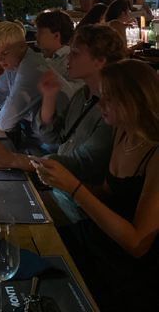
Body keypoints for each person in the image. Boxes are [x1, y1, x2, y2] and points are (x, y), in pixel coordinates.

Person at [36, 59, 159, 311]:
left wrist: (74, 188)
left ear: (135, 100)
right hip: (96, 240)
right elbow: (106, 194)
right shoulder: (122, 132)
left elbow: (137, 244)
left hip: (127, 273)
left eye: (108, 99)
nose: (100, 104)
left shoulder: (155, 154)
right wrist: (59, 182)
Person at [0, 24, 125, 222]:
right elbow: (55, 138)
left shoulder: (113, 112)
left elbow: (77, 166)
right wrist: (49, 98)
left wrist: (13, 159)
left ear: (99, 61)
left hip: (76, 211)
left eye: (75, 54)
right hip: (56, 189)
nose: (67, 59)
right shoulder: (83, 95)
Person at [0, 21, 49, 135]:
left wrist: (4, 107)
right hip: (31, 132)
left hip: (48, 143)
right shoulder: (13, 65)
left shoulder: (30, 70)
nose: (0, 60)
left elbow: (4, 123)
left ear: (22, 46)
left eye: (5, 53)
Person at [35, 10, 80, 95]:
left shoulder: (70, 60)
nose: (36, 35)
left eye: (40, 32)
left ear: (56, 35)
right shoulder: (41, 57)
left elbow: (73, 92)